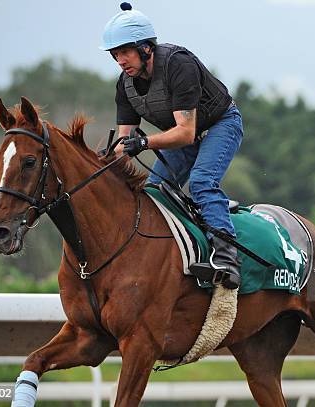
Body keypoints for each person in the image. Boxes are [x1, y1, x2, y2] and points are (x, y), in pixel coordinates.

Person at [101, 2, 242, 289]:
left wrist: (144, 142)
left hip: (220, 125)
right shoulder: (124, 85)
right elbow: (124, 141)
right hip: (181, 134)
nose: (120, 60)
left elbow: (186, 134)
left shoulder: (178, 64)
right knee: (154, 193)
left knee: (202, 182)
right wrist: (100, 162)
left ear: (146, 48)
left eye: (125, 52)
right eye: (115, 55)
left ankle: (228, 259)